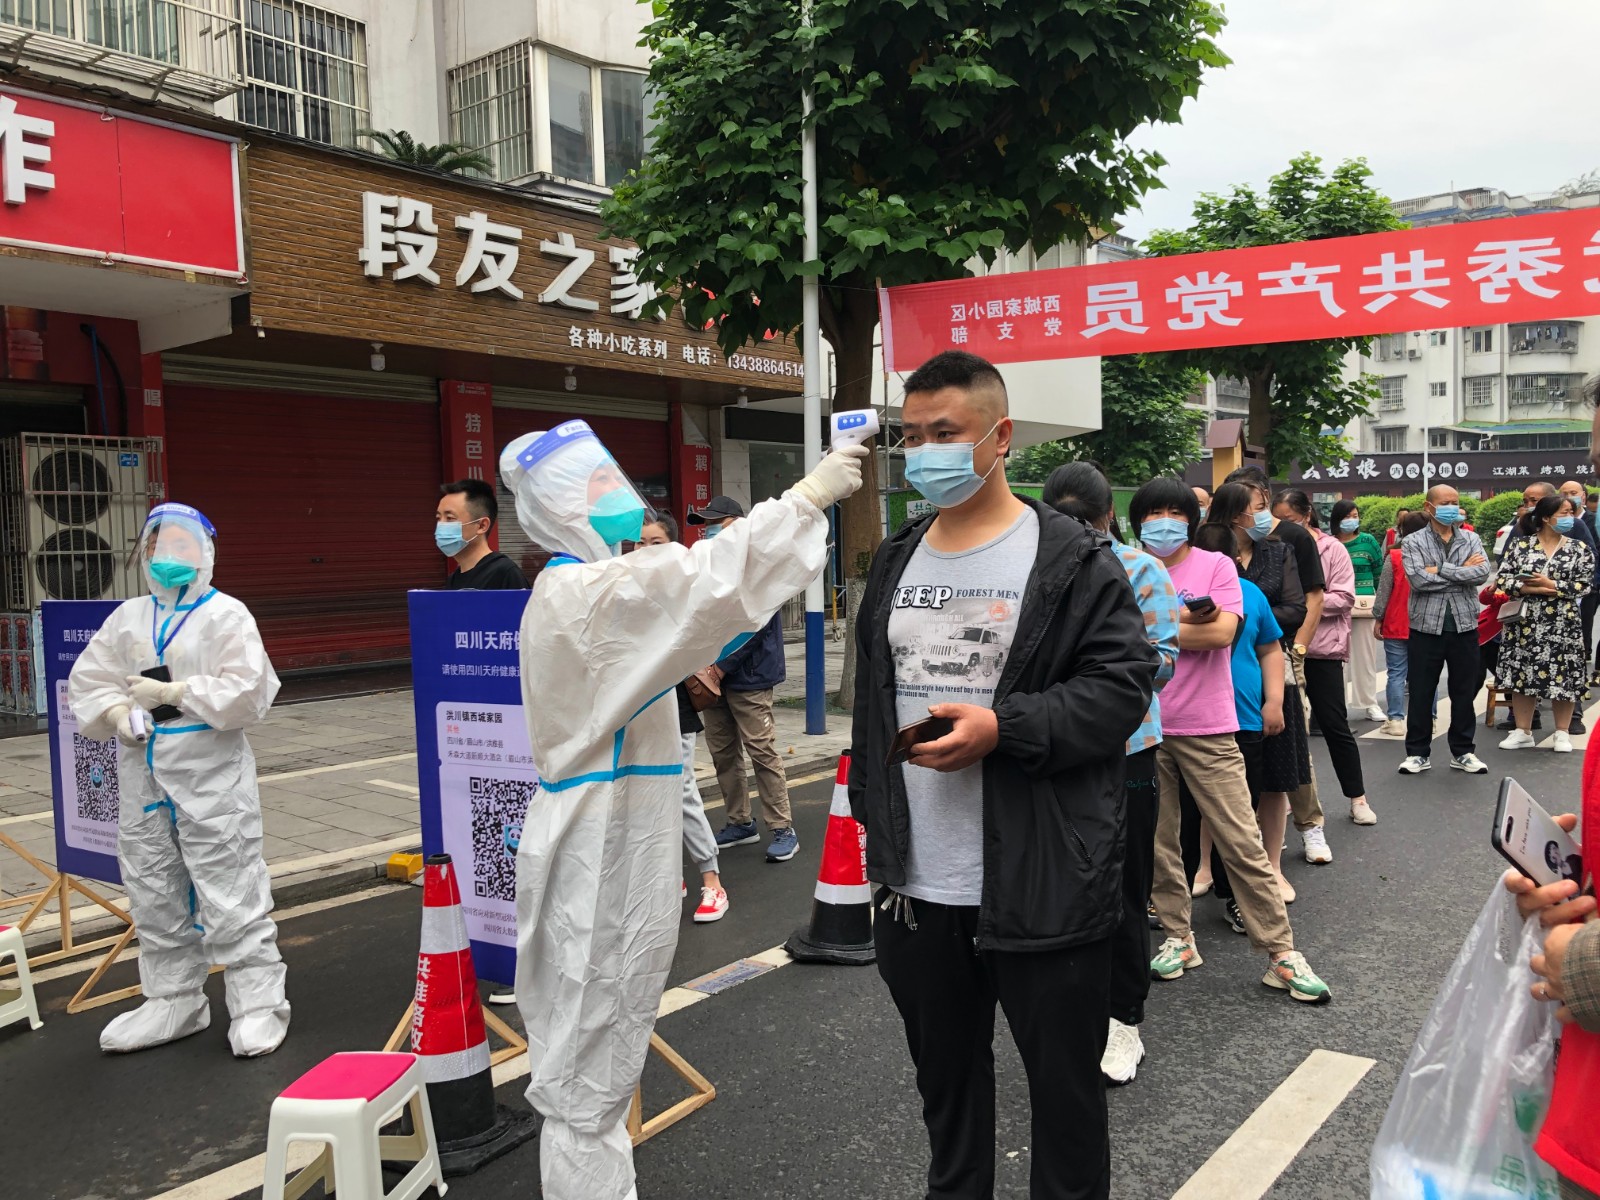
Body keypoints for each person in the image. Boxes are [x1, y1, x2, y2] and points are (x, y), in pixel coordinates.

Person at [499, 418, 865, 1198]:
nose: (624, 496)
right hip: (598, 840)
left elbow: (695, 603)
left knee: (609, 1032)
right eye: (601, 484)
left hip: (617, 830)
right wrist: (804, 499)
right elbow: (705, 583)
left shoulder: (593, 584)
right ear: (562, 506)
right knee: (590, 1045)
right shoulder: (583, 592)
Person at [849, 352, 1158, 1200]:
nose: (925, 453)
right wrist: (875, 824)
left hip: (1045, 881)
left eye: (945, 433)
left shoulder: (1073, 559)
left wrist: (1003, 728)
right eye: (912, 436)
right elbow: (874, 701)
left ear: (1001, 436)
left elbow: (1121, 688)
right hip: (917, 887)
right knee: (946, 1095)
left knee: (1066, 1103)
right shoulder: (897, 556)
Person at [68, 503, 287, 1056]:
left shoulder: (226, 615)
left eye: (182, 546)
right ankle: (173, 1000)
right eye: (157, 546)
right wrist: (119, 713)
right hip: (142, 773)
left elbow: (250, 692)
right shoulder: (128, 617)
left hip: (210, 773)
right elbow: (90, 680)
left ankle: (258, 1004)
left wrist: (175, 693)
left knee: (231, 888)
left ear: (205, 554)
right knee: (152, 890)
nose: (167, 556)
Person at [1134, 477, 1331, 1007]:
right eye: (1153, 513)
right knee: (1160, 841)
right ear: (1136, 521)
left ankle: (1281, 952)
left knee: (1241, 838)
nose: (1164, 523)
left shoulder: (1215, 567)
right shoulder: (1128, 566)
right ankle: (1179, 937)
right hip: (1145, 724)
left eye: (1175, 512)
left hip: (1208, 724)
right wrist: (1181, 624)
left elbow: (1222, 633)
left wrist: (1146, 628)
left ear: (1193, 520)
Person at [1043, 461, 1179, 1086]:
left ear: (1106, 519)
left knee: (1123, 887)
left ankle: (1124, 1018)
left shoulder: (1140, 570)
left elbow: (1162, 664)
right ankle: (1068, 1008)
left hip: (1124, 750)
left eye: (1084, 523)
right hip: (1046, 748)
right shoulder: (1031, 569)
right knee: (1053, 884)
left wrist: (1093, 672)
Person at [1192, 482, 1309, 905]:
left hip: (1258, 702)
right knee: (1211, 795)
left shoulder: (1265, 572)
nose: (1264, 517)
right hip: (1207, 709)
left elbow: (1278, 637)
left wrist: (1274, 700)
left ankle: (1269, 868)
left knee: (1268, 785)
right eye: (1256, 508)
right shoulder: (1183, 586)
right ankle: (1205, 866)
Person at [1223, 466, 1332, 865]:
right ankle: (1235, 849)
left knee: (1287, 754)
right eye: (1251, 507)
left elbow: (1299, 605)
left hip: (1277, 659)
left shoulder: (1285, 544)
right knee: (1231, 761)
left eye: (1262, 504)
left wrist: (1250, 618)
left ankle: (1309, 826)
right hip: (1224, 666)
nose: (1259, 514)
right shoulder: (1213, 552)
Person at [686, 495, 801, 863]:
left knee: (761, 751)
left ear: (738, 524)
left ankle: (782, 828)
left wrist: (720, 667)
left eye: (715, 524)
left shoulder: (758, 566)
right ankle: (740, 822)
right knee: (723, 754)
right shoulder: (709, 566)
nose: (709, 531)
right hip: (711, 677)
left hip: (748, 677)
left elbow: (754, 625)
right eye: (705, 525)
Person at [639, 512, 729, 923]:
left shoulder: (685, 589)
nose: (646, 550)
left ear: (673, 546)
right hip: (639, 709)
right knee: (645, 796)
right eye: (641, 543)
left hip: (674, 707)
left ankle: (712, 882)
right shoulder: (631, 588)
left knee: (682, 792)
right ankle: (667, 876)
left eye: (655, 542)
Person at [1273, 491, 1376, 826]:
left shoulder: (1332, 549)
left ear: (1307, 515)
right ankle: (1289, 798)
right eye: (1277, 520)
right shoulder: (1270, 547)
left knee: (1334, 725)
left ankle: (1357, 797)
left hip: (1321, 650)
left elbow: (1344, 597)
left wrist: (1303, 603)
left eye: (1289, 519)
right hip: (1278, 648)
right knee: (1285, 730)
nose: (1282, 526)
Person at [1397, 484, 1493, 776]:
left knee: (1464, 691)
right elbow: (1418, 580)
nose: (1452, 507)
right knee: (1422, 691)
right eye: (1445, 502)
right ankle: (1417, 753)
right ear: (1429, 507)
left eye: (1455, 502)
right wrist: (1461, 570)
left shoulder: (1471, 538)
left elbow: (1482, 573)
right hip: (1426, 627)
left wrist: (1439, 569)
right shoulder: (1413, 541)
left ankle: (1463, 751)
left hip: (1464, 625)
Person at [1496, 494, 1595, 754]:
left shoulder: (1578, 548)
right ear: (1546, 517)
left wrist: (1552, 585)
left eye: (1571, 512)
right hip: (1525, 621)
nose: (1569, 518)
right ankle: (1523, 730)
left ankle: (1562, 732)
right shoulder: (1521, 545)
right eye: (1564, 513)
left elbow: (1585, 585)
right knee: (1523, 673)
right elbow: (1503, 579)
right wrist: (1529, 587)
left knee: (1564, 676)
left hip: (1563, 621)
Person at [1373, 511, 1431, 737]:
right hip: (1427, 623)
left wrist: (1378, 617)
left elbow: (1384, 591)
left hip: (1396, 622)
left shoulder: (1395, 556)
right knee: (1426, 674)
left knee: (1396, 674)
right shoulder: (1435, 556)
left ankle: (1396, 720)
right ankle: (1430, 719)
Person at [1333, 499, 1386, 723]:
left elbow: (1380, 574)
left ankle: (1369, 703)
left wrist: (1381, 607)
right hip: (1335, 607)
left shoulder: (1368, 541)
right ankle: (1337, 705)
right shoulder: (1329, 543)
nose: (1352, 520)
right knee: (1335, 658)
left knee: (1365, 656)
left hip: (1364, 606)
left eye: (1355, 516)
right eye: (1347, 516)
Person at [438, 477, 529, 589]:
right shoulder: (453, 580)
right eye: (438, 518)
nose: (441, 525)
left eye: (450, 518)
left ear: (482, 525)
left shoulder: (505, 573)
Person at [1559, 479, 1600, 708]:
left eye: (1573, 492)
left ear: (1583, 496)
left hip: (1588, 587)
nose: (1569, 497)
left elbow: (1593, 554)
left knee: (1582, 632)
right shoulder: (1553, 523)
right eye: (1564, 493)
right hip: (1560, 591)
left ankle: (1579, 682)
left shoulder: (1591, 521)